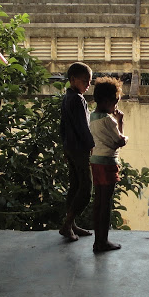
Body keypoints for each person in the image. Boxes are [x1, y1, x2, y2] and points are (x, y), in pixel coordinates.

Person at [89, 77, 128, 252]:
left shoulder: (93, 116)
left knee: (98, 202)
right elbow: (119, 142)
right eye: (115, 102)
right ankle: (102, 241)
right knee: (106, 204)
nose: (116, 107)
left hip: (95, 162)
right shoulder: (108, 120)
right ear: (107, 101)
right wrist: (121, 122)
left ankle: (98, 240)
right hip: (107, 163)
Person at [59, 62, 95, 242]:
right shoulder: (78, 100)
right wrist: (91, 145)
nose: (88, 85)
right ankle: (68, 223)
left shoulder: (67, 98)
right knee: (86, 188)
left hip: (70, 148)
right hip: (79, 149)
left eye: (89, 82)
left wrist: (65, 147)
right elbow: (82, 127)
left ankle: (72, 225)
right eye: (84, 81)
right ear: (72, 80)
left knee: (74, 186)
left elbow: (63, 127)